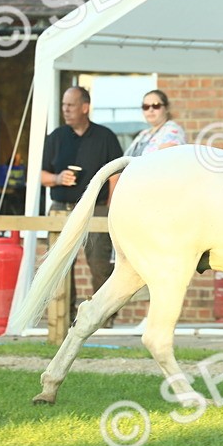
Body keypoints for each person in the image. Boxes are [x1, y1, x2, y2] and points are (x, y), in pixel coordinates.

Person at [41, 86, 123, 304]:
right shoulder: (56, 137)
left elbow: (116, 176)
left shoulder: (105, 137)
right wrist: (58, 178)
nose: (65, 110)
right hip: (60, 209)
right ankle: (64, 320)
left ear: (85, 107)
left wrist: (110, 209)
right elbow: (39, 175)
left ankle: (103, 316)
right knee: (59, 266)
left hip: (96, 210)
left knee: (99, 264)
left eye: (70, 105)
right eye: (63, 105)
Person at [125, 90, 187, 156]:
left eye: (156, 105)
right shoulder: (143, 134)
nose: (150, 110)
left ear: (166, 108)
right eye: (146, 107)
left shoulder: (173, 130)